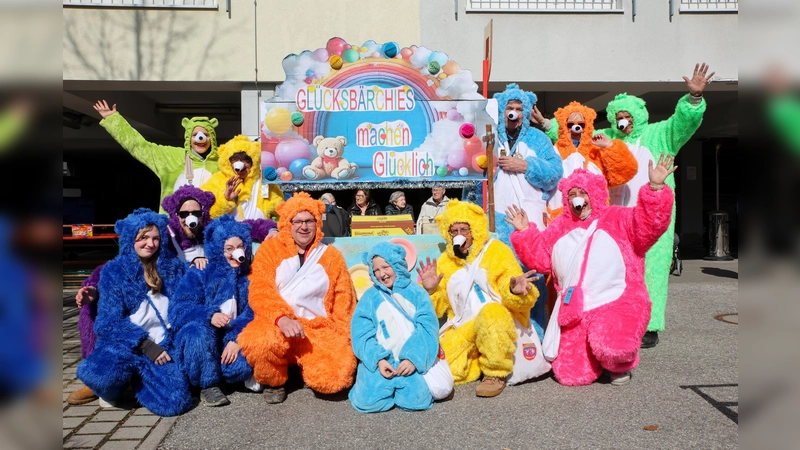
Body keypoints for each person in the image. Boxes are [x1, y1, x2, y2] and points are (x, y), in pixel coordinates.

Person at [556, 63, 713, 348]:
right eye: (618, 117)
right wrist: (547, 126)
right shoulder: (609, 138)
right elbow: (575, 136)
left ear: (638, 116)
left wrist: (693, 99)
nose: (623, 121)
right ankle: (617, 319)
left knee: (652, 269)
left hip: (652, 214)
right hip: (615, 216)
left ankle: (650, 325)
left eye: (627, 116)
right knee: (616, 269)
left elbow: (683, 123)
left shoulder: (659, 135)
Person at [507, 156, 675, 386]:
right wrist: (525, 232)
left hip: (616, 301)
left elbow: (649, 225)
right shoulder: (559, 227)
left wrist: (655, 188)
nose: (578, 199)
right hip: (575, 310)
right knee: (570, 375)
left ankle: (618, 364)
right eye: (573, 194)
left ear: (594, 194)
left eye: (583, 193)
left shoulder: (617, 218)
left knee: (613, 348)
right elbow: (542, 260)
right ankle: (594, 356)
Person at [238, 192, 357, 404]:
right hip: (277, 325)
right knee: (260, 341)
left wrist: (345, 339)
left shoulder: (331, 256)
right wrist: (281, 318)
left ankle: (303, 366)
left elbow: (343, 301)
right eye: (298, 221)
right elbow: (260, 290)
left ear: (317, 223)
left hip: (316, 329)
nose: (304, 226)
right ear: (287, 223)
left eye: (309, 220)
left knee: (336, 377)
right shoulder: (270, 249)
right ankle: (276, 380)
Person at [76, 208, 192, 416]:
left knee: (175, 403)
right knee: (103, 374)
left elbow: (187, 301)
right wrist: (145, 345)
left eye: (156, 238)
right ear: (131, 238)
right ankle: (111, 390)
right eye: (143, 237)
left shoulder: (172, 267)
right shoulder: (114, 272)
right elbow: (107, 323)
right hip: (128, 344)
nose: (151, 243)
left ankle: (142, 380)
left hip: (162, 345)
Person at [416, 200, 538, 397]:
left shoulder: (496, 251)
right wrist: (430, 291)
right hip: (464, 327)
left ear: (475, 229)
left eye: (464, 229)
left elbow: (516, 288)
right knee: (444, 372)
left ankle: (495, 372)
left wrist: (514, 290)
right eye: (453, 231)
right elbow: (436, 310)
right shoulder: (445, 262)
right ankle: (477, 362)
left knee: (491, 313)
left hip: (498, 323)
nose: (459, 235)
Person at [171, 216, 257, 407]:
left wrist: (236, 339)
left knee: (239, 369)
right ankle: (207, 384)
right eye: (229, 249)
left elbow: (254, 312)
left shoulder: (251, 277)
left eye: (240, 246)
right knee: (196, 332)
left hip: (229, 339)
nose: (237, 253)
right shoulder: (200, 272)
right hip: (204, 337)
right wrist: (209, 315)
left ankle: (224, 376)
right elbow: (179, 309)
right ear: (218, 249)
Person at [349, 242, 441, 413]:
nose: (382, 274)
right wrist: (378, 359)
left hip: (410, 363)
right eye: (376, 270)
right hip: (382, 362)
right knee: (368, 402)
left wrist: (413, 359)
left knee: (417, 401)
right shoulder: (369, 298)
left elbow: (427, 328)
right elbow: (361, 334)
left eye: (386, 266)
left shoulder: (416, 293)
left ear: (397, 264)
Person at [93, 100, 219, 213]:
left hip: (211, 231)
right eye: (195, 134)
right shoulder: (172, 157)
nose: (201, 138)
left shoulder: (223, 160)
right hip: (175, 231)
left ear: (212, 139)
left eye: (206, 135)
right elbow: (140, 147)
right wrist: (113, 120)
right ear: (188, 138)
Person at [201, 135, 284, 221]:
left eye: (246, 161)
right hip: (230, 232)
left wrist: (273, 227)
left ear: (254, 162)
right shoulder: (217, 180)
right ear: (228, 162)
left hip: (258, 231)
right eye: (235, 160)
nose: (241, 165)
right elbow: (206, 212)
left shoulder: (262, 181)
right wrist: (226, 200)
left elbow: (279, 209)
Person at [161, 184, 217, 269]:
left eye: (196, 213)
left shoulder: (214, 235)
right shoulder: (167, 240)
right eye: (184, 214)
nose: (191, 218)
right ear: (176, 215)